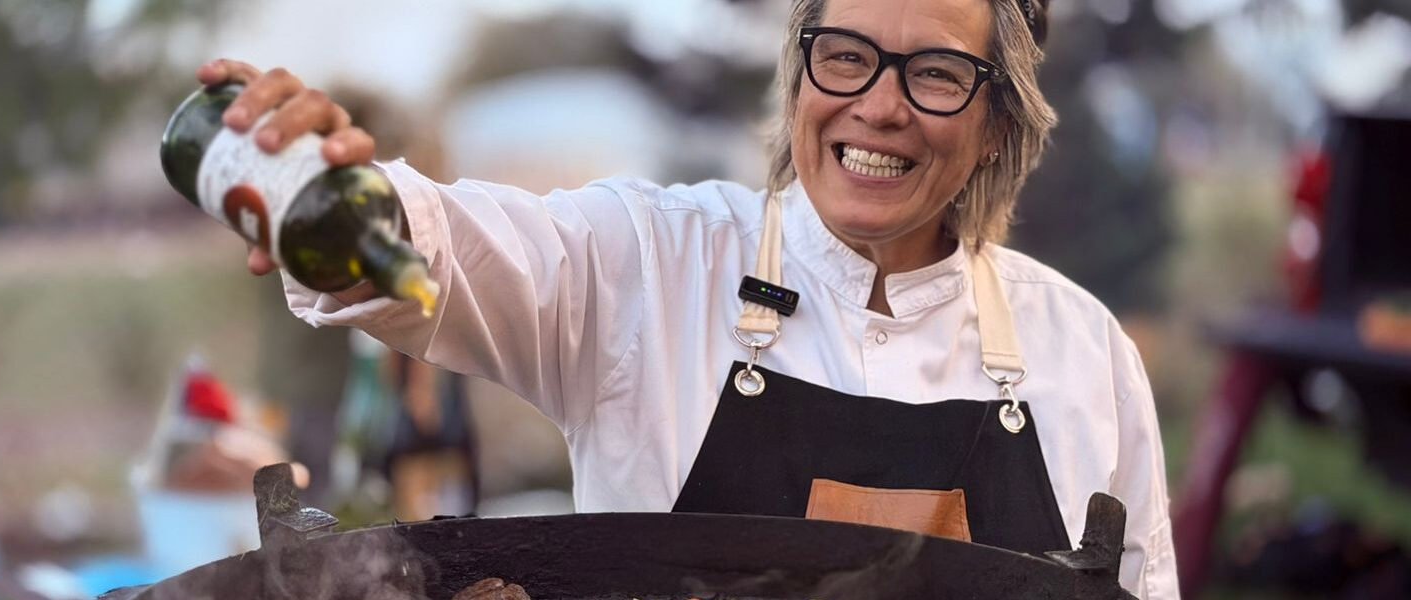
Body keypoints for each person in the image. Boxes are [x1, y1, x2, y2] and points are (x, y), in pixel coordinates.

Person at [197, 0, 1178, 596]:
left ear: (998, 121)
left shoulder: (1081, 353)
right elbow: (444, 254)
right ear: (800, 75)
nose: (880, 105)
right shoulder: (651, 264)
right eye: (845, 55)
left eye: (936, 74)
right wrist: (330, 197)